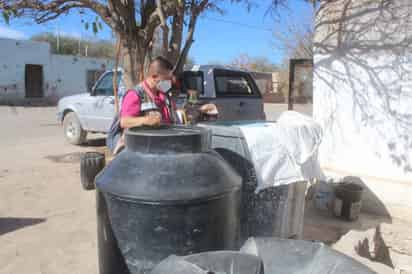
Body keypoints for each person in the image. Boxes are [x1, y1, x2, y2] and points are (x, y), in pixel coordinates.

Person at [107, 56, 217, 154]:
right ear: (154, 77)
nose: (169, 82)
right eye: (166, 79)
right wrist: (145, 120)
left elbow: (175, 118)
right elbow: (124, 122)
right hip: (141, 151)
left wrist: (200, 110)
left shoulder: (164, 96)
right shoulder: (135, 94)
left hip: (162, 148)